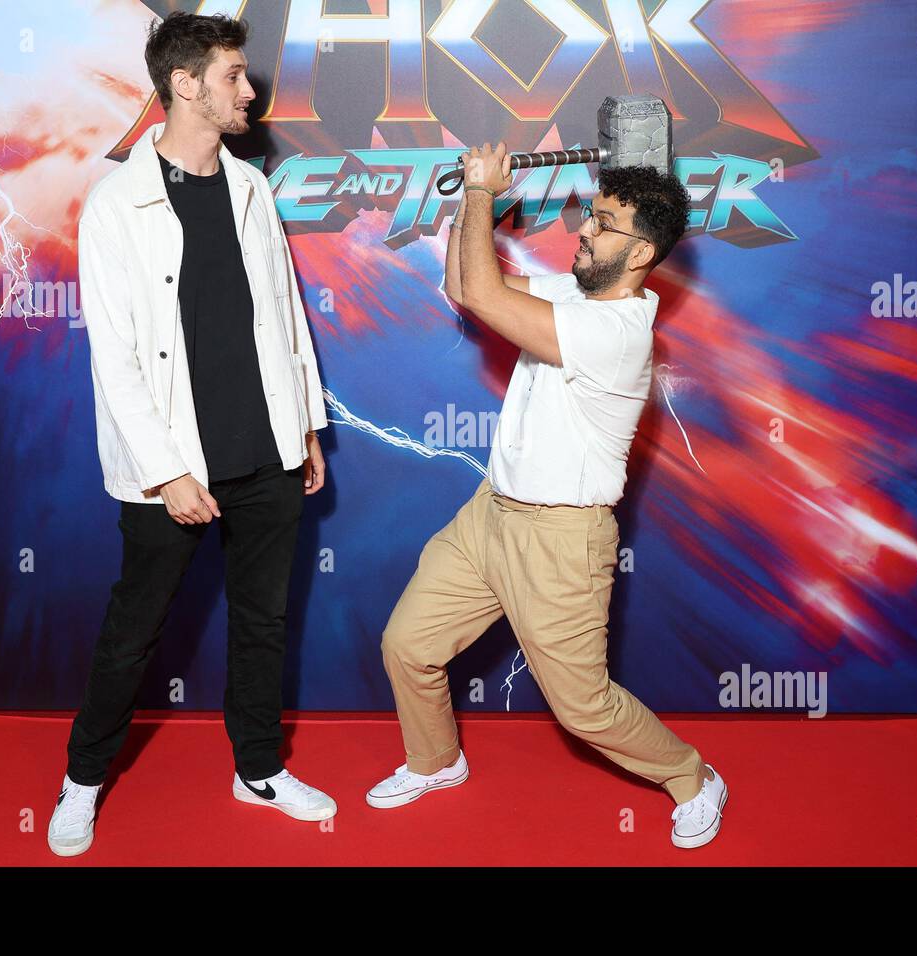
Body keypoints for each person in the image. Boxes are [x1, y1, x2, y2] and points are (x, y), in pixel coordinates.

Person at [367, 144, 727, 849]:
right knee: (408, 644)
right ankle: (437, 762)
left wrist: (481, 198)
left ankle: (692, 777)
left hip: (561, 541)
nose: (584, 229)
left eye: (604, 222)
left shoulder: (617, 332)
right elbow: (464, 286)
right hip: (490, 515)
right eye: (591, 214)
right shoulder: (576, 296)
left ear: (642, 250)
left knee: (584, 710)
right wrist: (471, 199)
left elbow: (480, 295)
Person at [48, 12, 334, 857]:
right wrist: (166, 470)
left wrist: (306, 426)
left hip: (267, 454)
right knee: (133, 631)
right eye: (235, 76)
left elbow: (284, 318)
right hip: (169, 469)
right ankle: (80, 782)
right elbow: (117, 358)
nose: (250, 91)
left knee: (263, 622)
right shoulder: (115, 204)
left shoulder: (250, 188)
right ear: (185, 84)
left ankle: (257, 769)